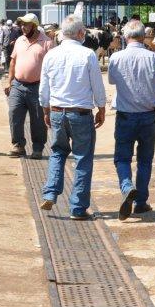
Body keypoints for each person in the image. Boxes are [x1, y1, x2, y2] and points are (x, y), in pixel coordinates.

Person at [107, 20, 155, 220]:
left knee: (122, 158)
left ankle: (127, 186)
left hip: (125, 116)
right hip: (148, 117)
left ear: (125, 36)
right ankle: (140, 202)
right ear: (143, 36)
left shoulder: (116, 59)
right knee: (145, 159)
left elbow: (113, 81)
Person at [38, 15, 107, 220]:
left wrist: (46, 111)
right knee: (82, 158)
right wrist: (101, 108)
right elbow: (97, 85)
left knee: (58, 152)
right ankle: (77, 208)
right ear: (80, 33)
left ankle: (50, 192)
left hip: (58, 112)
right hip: (81, 114)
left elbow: (44, 88)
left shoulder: (51, 55)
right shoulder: (88, 54)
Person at [4, 13, 53, 159]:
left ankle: (37, 148)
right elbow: (13, 62)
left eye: (26, 24)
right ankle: (18, 145)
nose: (23, 27)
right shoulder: (19, 40)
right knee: (14, 114)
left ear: (35, 25)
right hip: (18, 85)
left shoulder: (47, 43)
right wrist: (9, 81)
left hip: (38, 87)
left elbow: (53, 67)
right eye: (21, 24)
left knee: (38, 118)